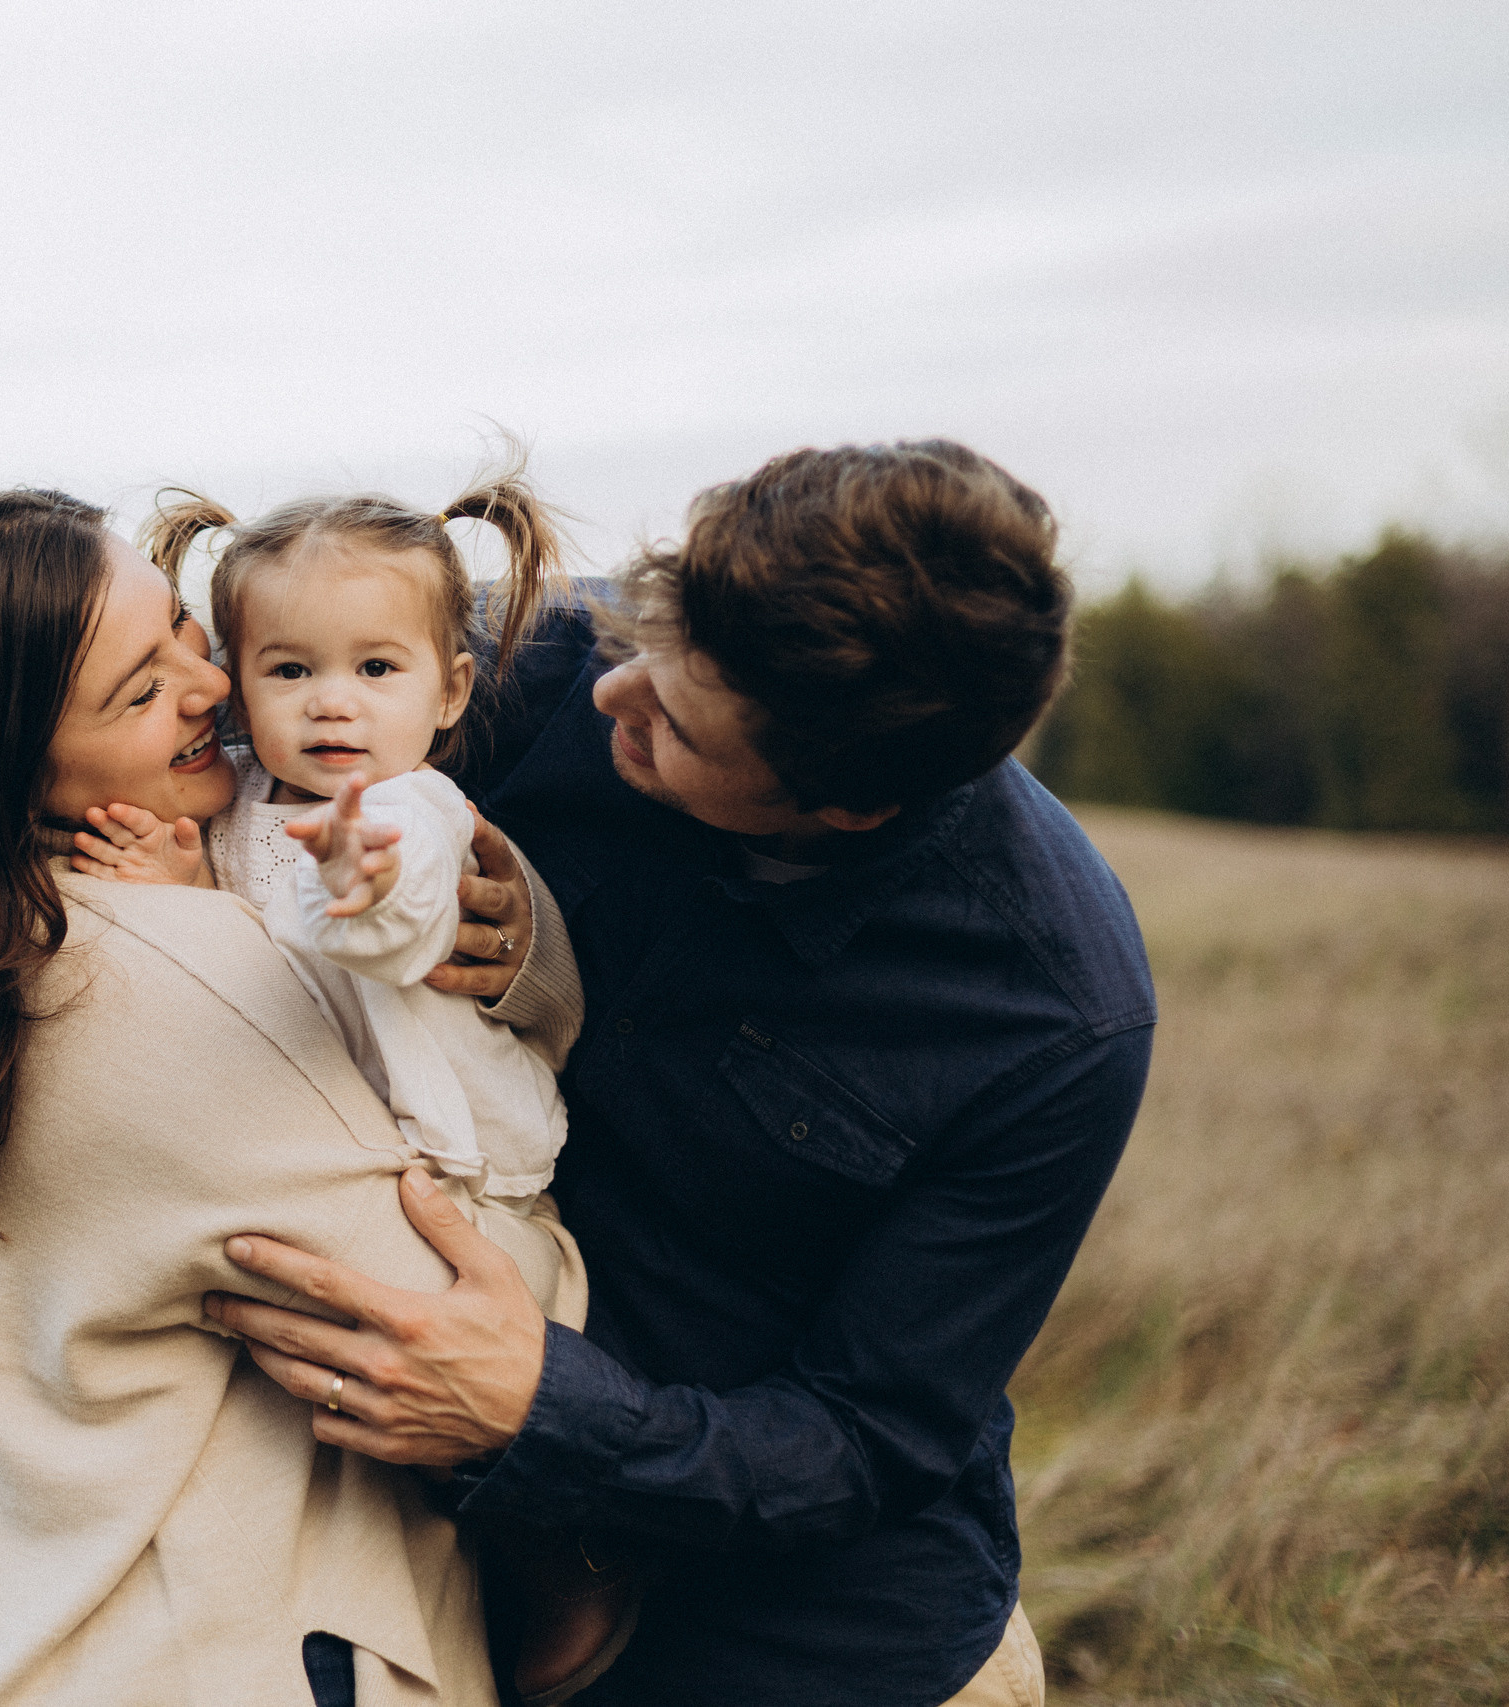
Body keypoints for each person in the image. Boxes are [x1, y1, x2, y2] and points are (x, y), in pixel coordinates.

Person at [204, 441, 1156, 1706]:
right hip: (426, 1572)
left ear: (845, 810)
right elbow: (82, 708)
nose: (613, 700)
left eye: (677, 723)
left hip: (799, 1640)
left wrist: (538, 1407)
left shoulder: (1049, 1015)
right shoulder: (527, 655)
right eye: (643, 639)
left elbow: (868, 1439)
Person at [0, 482, 593, 1707]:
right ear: (14, 764)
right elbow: (462, 1308)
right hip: (262, 1652)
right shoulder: (166, 970)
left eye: (178, 625)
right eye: (139, 688)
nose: (210, 683)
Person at [65, 470, 635, 1700]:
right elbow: (250, 988)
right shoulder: (237, 810)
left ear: (450, 691)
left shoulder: (409, 810)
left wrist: (368, 888)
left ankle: (570, 1548)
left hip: (467, 1182)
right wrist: (185, 894)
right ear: (234, 676)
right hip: (361, 1157)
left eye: (376, 671)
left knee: (423, 1370)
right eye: (290, 671)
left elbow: (386, 928)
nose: (333, 705)